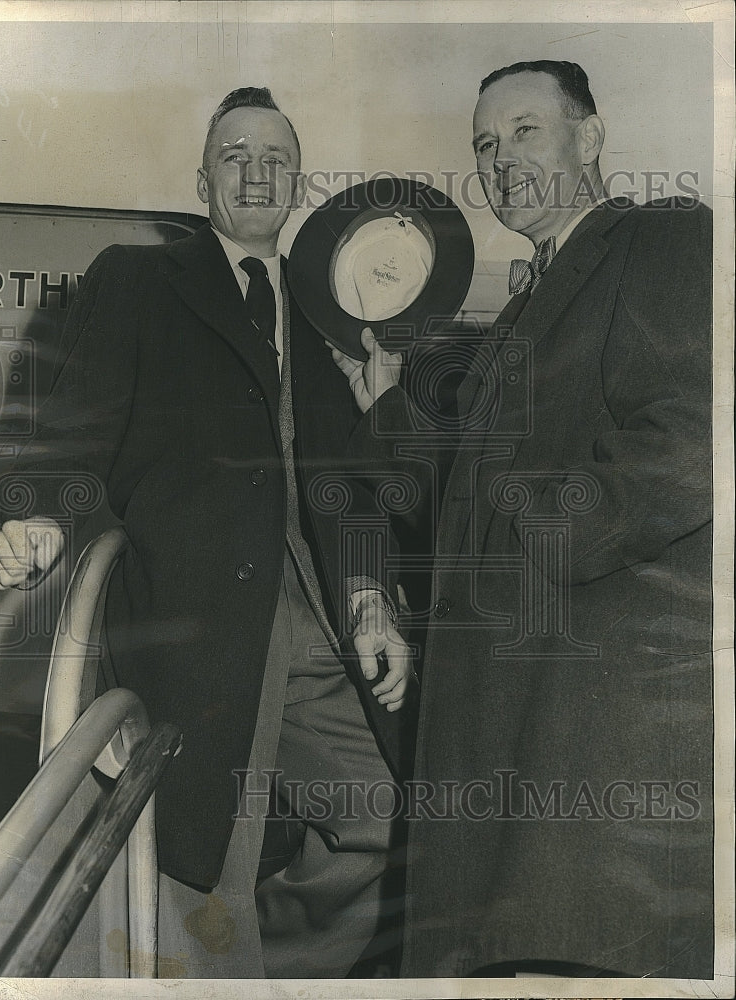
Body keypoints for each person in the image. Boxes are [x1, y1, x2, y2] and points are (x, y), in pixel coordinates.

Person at [0, 86, 416, 979]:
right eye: (235, 157)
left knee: (393, 821)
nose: (255, 174)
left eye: (274, 160)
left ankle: (269, 974)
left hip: (320, 628)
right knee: (203, 867)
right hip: (199, 625)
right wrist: (33, 512)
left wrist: (372, 597)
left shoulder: (324, 312)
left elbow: (354, 487)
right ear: (202, 179)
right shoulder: (138, 278)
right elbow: (74, 429)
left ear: (297, 182)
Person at [332, 60, 713, 979]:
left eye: (526, 132)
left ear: (590, 138)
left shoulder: (659, 238)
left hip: (588, 737)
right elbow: (472, 484)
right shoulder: (526, 303)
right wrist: (384, 411)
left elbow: (692, 439)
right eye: (485, 146)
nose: (501, 160)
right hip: (514, 739)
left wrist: (548, 530)